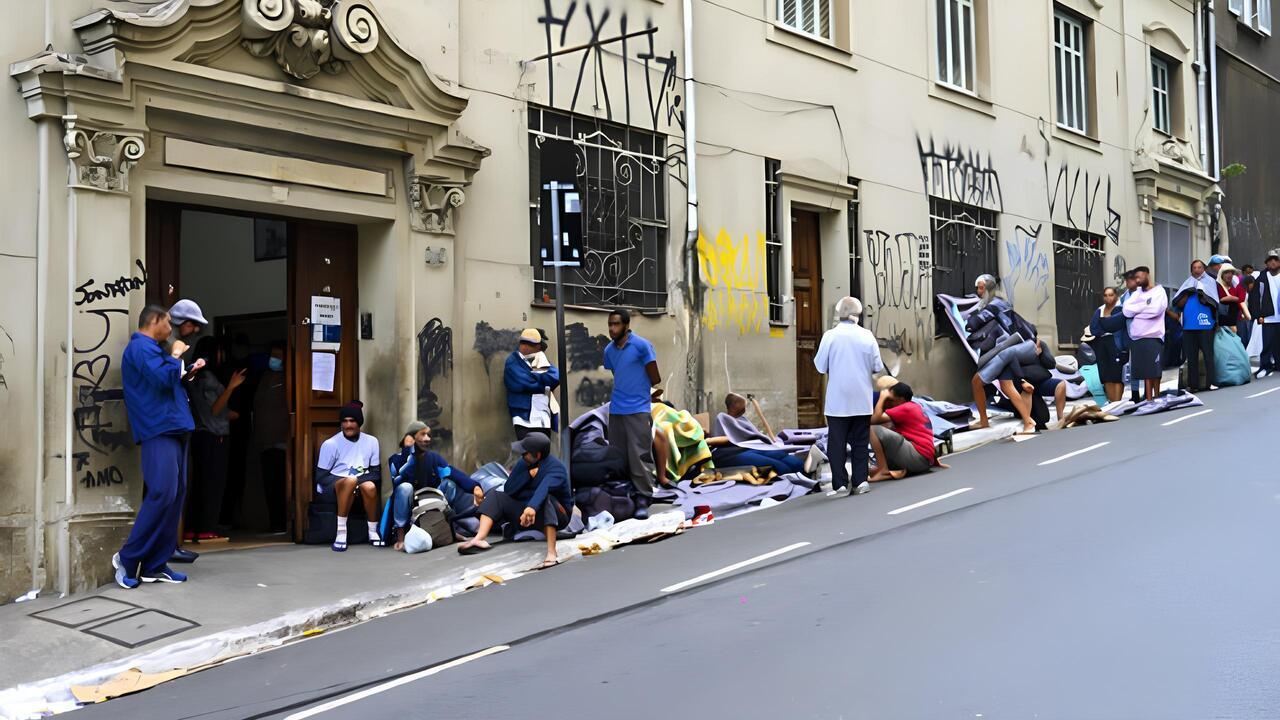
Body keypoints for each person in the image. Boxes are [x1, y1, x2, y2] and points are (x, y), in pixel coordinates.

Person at [112, 306, 196, 588]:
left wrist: (185, 373)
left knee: (174, 496)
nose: (171, 329)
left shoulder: (152, 350)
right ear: (155, 321)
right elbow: (160, 379)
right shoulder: (140, 348)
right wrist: (175, 356)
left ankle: (154, 565)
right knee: (162, 493)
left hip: (173, 428)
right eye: (168, 322)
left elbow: (165, 381)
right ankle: (126, 557)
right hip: (158, 429)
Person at [457, 432, 572, 570]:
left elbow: (544, 489)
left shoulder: (556, 468)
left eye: (525, 453)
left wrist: (531, 508)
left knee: (547, 499)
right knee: (496, 496)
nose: (522, 456)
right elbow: (509, 489)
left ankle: (551, 553)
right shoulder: (524, 463)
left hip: (558, 515)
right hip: (527, 514)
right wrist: (527, 476)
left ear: (538, 455)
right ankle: (479, 538)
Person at [814, 296, 883, 496]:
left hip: (837, 401)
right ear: (858, 314)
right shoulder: (867, 335)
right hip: (862, 398)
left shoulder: (830, 336)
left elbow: (820, 366)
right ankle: (861, 481)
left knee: (837, 443)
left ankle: (840, 484)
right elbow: (877, 367)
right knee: (860, 441)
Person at [185, 338, 246, 542]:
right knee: (214, 483)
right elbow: (215, 409)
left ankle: (192, 528)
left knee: (200, 482)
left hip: (199, 434)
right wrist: (231, 387)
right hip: (213, 435)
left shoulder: (195, 377)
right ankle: (206, 529)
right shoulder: (209, 378)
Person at [603, 309, 662, 519]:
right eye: (610, 324)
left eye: (616, 324)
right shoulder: (609, 350)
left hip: (638, 408)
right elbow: (616, 372)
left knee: (639, 456)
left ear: (626, 326)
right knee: (618, 455)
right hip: (617, 408)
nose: (612, 328)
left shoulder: (642, 346)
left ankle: (643, 498)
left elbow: (655, 377)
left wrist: (639, 388)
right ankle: (623, 495)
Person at [388, 421, 481, 551]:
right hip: (411, 504)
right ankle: (401, 536)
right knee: (404, 488)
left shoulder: (432, 457)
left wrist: (474, 487)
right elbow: (399, 479)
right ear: (411, 437)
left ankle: (450, 528)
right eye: (423, 434)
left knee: (449, 484)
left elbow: (450, 472)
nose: (428, 438)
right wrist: (408, 450)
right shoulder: (396, 459)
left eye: (428, 435)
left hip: (429, 500)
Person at [966, 275, 1039, 435]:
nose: (978, 291)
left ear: (989, 288)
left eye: (981, 287)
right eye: (977, 287)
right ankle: (1027, 420)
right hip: (1005, 348)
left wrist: (971, 317)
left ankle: (1025, 421)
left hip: (1002, 350)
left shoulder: (993, 305)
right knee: (1007, 385)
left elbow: (973, 324)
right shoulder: (998, 302)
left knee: (977, 382)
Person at [315, 401, 382, 551]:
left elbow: (376, 473)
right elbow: (321, 477)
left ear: (359, 423)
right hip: (333, 486)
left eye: (352, 421)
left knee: (370, 486)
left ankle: (372, 531)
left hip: (359, 484)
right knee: (350, 481)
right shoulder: (331, 444)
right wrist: (348, 481)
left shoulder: (372, 442)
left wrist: (356, 482)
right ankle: (341, 532)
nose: (348, 425)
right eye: (344, 421)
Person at [705, 393, 809, 476]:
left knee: (782, 455)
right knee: (779, 466)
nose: (744, 408)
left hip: (748, 448)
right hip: (729, 454)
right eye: (741, 405)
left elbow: (754, 434)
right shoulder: (722, 418)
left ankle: (807, 471)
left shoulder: (742, 419)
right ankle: (799, 477)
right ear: (732, 406)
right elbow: (727, 438)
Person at [868, 382, 943, 481]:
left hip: (918, 458)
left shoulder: (905, 408)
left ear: (901, 400)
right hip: (923, 460)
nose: (888, 403)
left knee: (873, 429)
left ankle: (883, 471)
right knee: (869, 471)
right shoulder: (914, 406)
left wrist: (882, 398)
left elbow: (874, 420)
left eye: (891, 400)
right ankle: (892, 470)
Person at [252, 342, 288, 533]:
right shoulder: (264, 377)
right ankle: (274, 522)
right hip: (265, 441)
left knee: (281, 484)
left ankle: (284, 522)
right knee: (269, 485)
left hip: (282, 441)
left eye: (278, 355)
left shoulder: (289, 378)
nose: (274, 359)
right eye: (272, 354)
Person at [504, 328, 561, 441]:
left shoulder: (541, 359)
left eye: (530, 344)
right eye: (523, 343)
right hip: (523, 416)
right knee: (528, 453)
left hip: (543, 415)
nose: (525, 347)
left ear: (538, 346)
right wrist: (543, 384)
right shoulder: (513, 360)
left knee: (543, 451)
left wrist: (535, 374)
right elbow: (521, 383)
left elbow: (555, 377)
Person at [1122, 266, 1168, 401]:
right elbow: (1126, 311)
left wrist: (1138, 312)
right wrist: (1144, 307)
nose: (1137, 280)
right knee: (1144, 371)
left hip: (1153, 336)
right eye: (1135, 278)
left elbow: (1156, 310)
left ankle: (1155, 397)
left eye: (1139, 277)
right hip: (1137, 337)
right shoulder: (1136, 294)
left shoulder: (1159, 291)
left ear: (1147, 275)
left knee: (1154, 370)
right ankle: (1148, 399)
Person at [1173, 260, 1219, 392]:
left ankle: (1212, 382)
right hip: (1189, 325)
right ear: (1191, 270)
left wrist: (1201, 292)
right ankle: (1193, 385)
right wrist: (1189, 291)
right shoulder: (1187, 283)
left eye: (1199, 267)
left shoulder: (1210, 282)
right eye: (1194, 267)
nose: (1197, 270)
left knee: (1208, 355)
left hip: (1205, 324)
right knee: (1191, 356)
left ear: (1204, 269)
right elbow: (1178, 302)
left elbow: (1214, 301)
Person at [1249, 250, 1280, 378]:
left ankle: (1278, 365)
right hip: (1268, 317)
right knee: (1266, 343)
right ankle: (1265, 366)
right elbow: (1255, 299)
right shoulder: (1261, 278)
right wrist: (1258, 315)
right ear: (1266, 264)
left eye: (1275, 260)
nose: (1272, 262)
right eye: (1269, 260)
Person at [1217, 263, 1249, 336]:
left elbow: (1242, 300)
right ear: (1221, 274)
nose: (1229, 275)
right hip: (1222, 323)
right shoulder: (1217, 286)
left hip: (1238, 319)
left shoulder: (1235, 286)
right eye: (1227, 273)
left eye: (1231, 273)